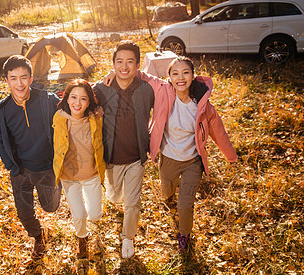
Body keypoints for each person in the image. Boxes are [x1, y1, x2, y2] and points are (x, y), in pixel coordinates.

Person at [104, 56, 238, 252]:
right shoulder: (163, 91)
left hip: (193, 161)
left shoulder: (203, 105)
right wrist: (114, 72)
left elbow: (219, 132)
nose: (180, 78)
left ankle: (184, 234)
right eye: (175, 73)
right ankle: (168, 198)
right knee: (167, 189)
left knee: (185, 203)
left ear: (193, 76)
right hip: (168, 158)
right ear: (169, 77)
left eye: (185, 73)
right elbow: (140, 74)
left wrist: (231, 157)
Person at [0, 55, 61, 259]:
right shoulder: (2, 110)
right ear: (7, 81)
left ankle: (58, 187)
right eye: (13, 78)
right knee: (24, 211)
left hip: (46, 166)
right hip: (20, 169)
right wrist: (9, 165)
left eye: (23, 77)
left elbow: (73, 104)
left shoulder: (46, 100)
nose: (19, 83)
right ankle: (38, 237)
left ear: (31, 78)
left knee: (50, 207)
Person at [93, 40, 155, 259]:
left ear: (138, 65)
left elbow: (168, 91)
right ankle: (115, 195)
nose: (124, 66)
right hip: (111, 159)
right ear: (113, 64)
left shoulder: (146, 89)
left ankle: (127, 238)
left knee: (132, 202)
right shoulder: (101, 89)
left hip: (136, 158)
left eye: (130, 62)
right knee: (113, 196)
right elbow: (79, 101)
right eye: (119, 62)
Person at [52, 79, 106, 259]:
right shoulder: (59, 118)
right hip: (69, 176)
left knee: (95, 214)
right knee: (79, 214)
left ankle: (91, 221)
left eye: (83, 99)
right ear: (66, 99)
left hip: (91, 174)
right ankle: (82, 238)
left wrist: (100, 112)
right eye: (73, 97)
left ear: (89, 102)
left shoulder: (94, 118)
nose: (77, 102)